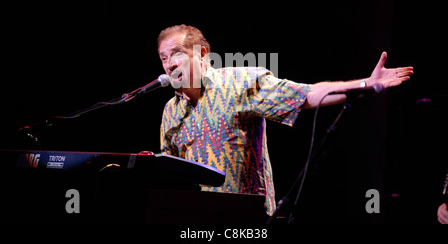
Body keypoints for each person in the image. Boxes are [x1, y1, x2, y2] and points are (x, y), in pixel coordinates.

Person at [157, 24, 413, 216]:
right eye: (163, 58)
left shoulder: (239, 83)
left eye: (176, 54)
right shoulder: (171, 110)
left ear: (201, 53)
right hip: (193, 218)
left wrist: (367, 84)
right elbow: (171, 174)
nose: (169, 65)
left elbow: (308, 94)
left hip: (246, 218)